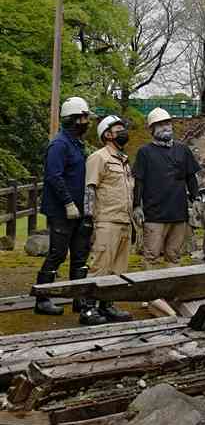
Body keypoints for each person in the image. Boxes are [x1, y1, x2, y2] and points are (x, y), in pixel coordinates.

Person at [35, 96, 105, 325]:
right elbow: (54, 176)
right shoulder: (59, 144)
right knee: (57, 253)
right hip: (61, 210)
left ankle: (79, 298)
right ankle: (42, 298)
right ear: (73, 119)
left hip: (79, 210)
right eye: (84, 118)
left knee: (80, 254)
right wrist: (67, 203)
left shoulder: (76, 143)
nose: (87, 122)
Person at [133, 108, 202, 268]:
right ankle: (151, 291)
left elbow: (191, 177)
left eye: (167, 123)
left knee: (174, 256)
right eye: (160, 125)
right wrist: (136, 205)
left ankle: (171, 291)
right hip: (154, 215)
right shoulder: (145, 152)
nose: (165, 127)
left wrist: (196, 198)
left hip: (179, 214)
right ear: (152, 129)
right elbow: (139, 181)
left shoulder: (182, 150)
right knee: (151, 256)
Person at [83, 115, 134, 323]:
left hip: (124, 221)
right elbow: (90, 188)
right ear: (107, 134)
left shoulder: (124, 160)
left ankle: (107, 305)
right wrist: (88, 218)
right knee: (99, 266)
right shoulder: (99, 157)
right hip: (106, 221)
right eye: (118, 128)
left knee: (117, 269)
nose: (123, 131)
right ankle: (88, 309)